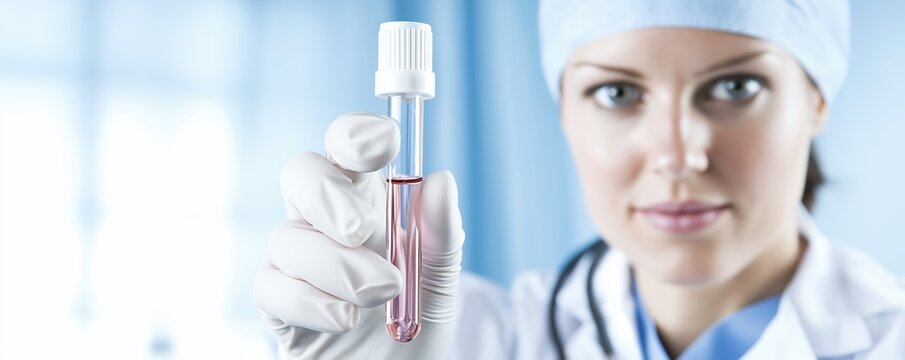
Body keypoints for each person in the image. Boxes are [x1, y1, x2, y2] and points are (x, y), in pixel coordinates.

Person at [252, 0, 905, 358]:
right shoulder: (476, 342)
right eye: (617, 92)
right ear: (561, 109)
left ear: (817, 100)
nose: (677, 156)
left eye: (735, 86)